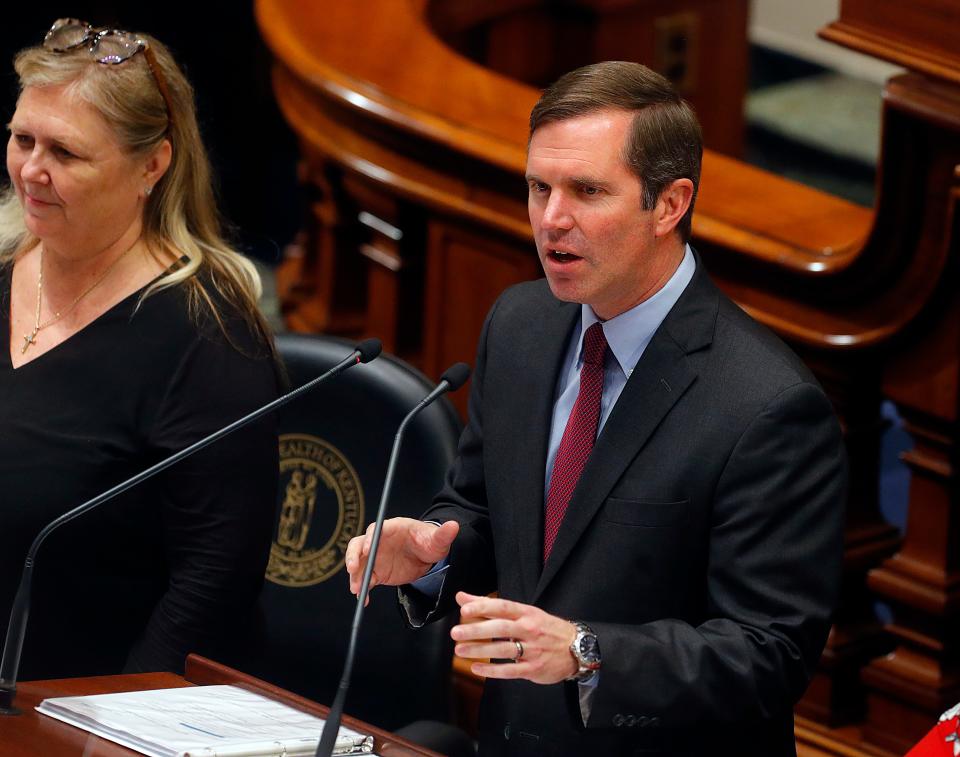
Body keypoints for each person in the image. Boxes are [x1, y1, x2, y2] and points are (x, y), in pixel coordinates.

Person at [346, 61, 847, 756]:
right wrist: (430, 555)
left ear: (669, 205)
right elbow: (484, 510)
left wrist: (587, 650)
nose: (552, 219)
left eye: (586, 191)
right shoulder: (520, 325)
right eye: (538, 187)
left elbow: (768, 653)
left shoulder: (766, 405)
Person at [0, 19, 279, 679]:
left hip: (92, 704)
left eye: (65, 153)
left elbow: (212, 584)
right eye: (21, 138)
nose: (31, 170)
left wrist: (107, 722)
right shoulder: (3, 263)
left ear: (152, 165)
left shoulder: (210, 333)